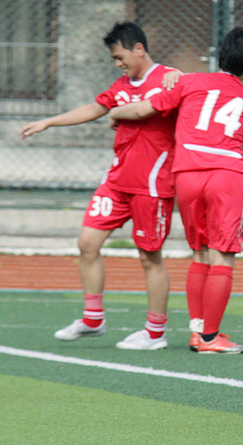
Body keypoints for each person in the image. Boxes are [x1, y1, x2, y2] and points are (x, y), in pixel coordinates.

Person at [20, 22, 179, 350]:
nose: (118, 64)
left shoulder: (170, 79)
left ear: (139, 49)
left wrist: (179, 76)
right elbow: (95, 108)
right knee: (87, 243)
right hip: (117, 182)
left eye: (120, 57)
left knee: (149, 257)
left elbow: (191, 92)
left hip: (152, 186)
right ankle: (93, 319)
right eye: (114, 59)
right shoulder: (121, 86)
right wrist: (49, 121)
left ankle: (155, 332)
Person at [109, 26, 243, 354]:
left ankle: (198, 332)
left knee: (199, 253)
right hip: (225, 174)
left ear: (220, 56)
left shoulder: (188, 81)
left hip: (187, 174)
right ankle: (211, 337)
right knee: (223, 254)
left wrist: (115, 112)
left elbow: (141, 109)